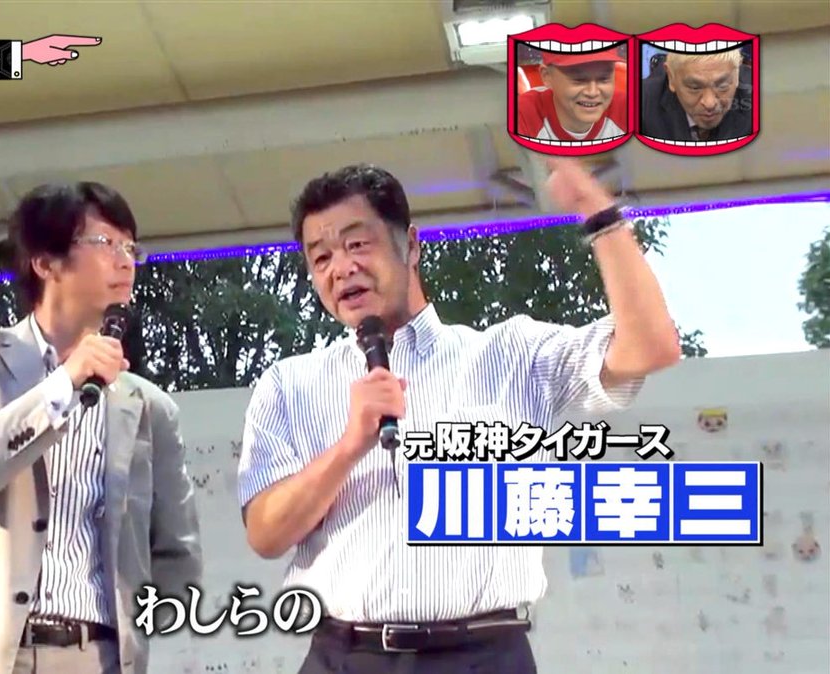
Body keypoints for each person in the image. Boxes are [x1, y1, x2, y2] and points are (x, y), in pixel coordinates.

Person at [236, 160, 681, 673]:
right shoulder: (288, 385)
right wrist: (348, 448)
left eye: (358, 244)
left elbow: (651, 347)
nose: (341, 268)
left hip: (483, 656)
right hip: (344, 656)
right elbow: (266, 534)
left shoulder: (511, 355)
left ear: (412, 245)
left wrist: (599, 215)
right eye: (321, 257)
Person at [0, 182, 202, 674]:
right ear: (45, 263)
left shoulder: (148, 407)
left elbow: (177, 553)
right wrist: (63, 384)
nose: (126, 261)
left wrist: (131, 628)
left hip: (92, 654)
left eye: (131, 247)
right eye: (105, 243)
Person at [516, 47, 628, 142]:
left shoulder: (628, 108)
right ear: (547, 76)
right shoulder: (522, 114)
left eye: (604, 79)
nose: (593, 92)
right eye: (579, 79)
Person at [640, 49, 752, 142]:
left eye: (722, 86)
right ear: (671, 77)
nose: (709, 103)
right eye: (695, 88)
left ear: (737, 75)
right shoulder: (641, 104)